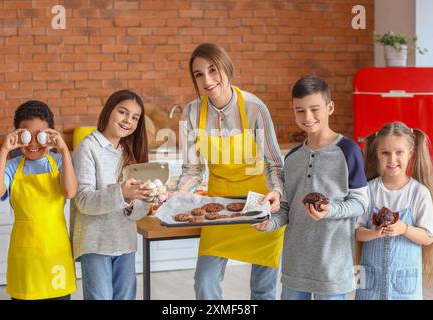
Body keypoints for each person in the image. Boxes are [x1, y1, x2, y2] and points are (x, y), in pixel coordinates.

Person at [177, 43, 285, 300]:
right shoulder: (191, 113)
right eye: (199, 74)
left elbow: (274, 164)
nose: (207, 79)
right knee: (205, 283)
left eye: (213, 70)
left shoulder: (254, 108)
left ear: (226, 68)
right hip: (219, 209)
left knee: (263, 291)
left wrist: (277, 193)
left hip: (259, 205)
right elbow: (192, 169)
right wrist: (178, 193)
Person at [255, 76, 369, 300]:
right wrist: (269, 222)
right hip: (295, 265)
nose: (307, 117)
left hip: (332, 267)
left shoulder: (349, 150)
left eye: (315, 109)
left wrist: (330, 210)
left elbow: (361, 203)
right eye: (300, 110)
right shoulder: (293, 157)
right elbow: (287, 208)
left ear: (330, 107)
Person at [0, 100, 77, 300]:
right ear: (18, 135)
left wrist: (63, 150)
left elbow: (70, 192)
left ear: (51, 135)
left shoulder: (60, 162)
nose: (34, 143)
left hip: (56, 254)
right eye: (27, 135)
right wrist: (3, 150)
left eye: (41, 135)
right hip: (25, 257)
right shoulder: (12, 166)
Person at [71, 89, 152, 300]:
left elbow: (139, 209)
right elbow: (83, 200)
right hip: (96, 243)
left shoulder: (130, 153)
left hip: (124, 241)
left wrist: (137, 200)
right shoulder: (87, 148)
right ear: (109, 111)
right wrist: (122, 193)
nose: (128, 121)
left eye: (135, 117)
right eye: (123, 112)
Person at [355, 122, 433, 300]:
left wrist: (404, 229)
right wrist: (373, 233)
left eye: (399, 152)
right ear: (377, 154)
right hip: (368, 282)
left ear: (411, 154)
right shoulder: (367, 190)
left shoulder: (419, 193)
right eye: (385, 153)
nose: (392, 159)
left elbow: (428, 237)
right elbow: (356, 233)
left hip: (405, 286)